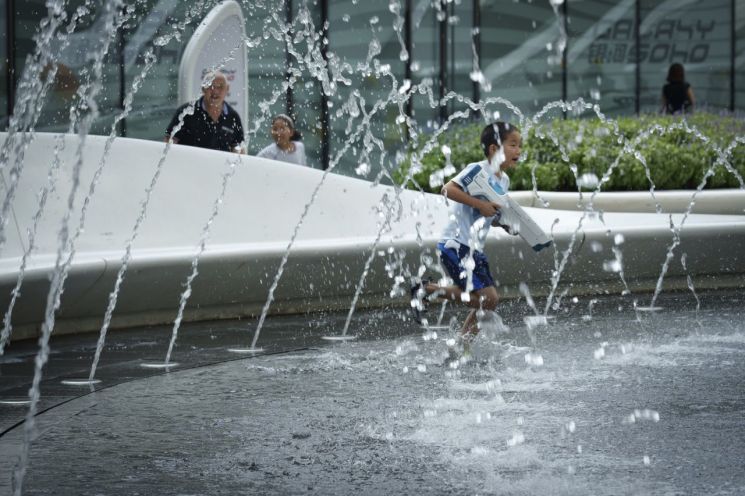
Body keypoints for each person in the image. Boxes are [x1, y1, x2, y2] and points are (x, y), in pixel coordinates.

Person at [411, 121, 522, 360]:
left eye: (520, 146)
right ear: (494, 149)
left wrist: (504, 224)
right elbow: (448, 189)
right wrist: (480, 204)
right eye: (513, 145)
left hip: (474, 250)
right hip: (456, 244)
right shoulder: (477, 170)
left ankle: (459, 346)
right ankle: (427, 290)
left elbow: (489, 214)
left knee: (488, 302)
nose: (518, 151)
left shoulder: (503, 182)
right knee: (488, 299)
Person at [165, 70, 244, 152]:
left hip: (219, 164)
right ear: (203, 89)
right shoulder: (186, 111)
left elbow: (238, 146)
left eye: (220, 86)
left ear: (227, 89)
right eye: (210, 86)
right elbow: (169, 141)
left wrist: (238, 153)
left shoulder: (233, 117)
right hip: (189, 163)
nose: (215, 91)